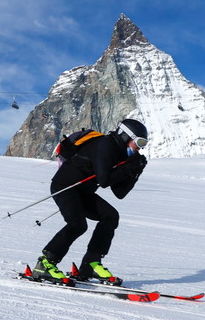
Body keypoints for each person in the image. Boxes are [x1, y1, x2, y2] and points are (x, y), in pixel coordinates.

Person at [33, 119, 149, 286]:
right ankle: (45, 263)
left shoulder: (121, 153)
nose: (140, 147)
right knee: (77, 224)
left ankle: (90, 265)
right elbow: (104, 180)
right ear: (126, 136)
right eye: (139, 141)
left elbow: (120, 192)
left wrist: (136, 171)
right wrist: (128, 168)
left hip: (83, 191)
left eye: (144, 143)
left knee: (110, 216)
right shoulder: (105, 145)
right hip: (65, 186)